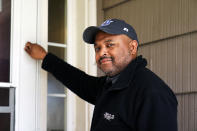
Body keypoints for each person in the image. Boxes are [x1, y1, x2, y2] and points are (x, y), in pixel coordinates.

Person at [25, 19, 178, 131]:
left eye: (109, 44)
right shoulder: (111, 84)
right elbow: (80, 82)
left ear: (132, 47)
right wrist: (45, 57)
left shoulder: (152, 93)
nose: (102, 52)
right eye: (97, 48)